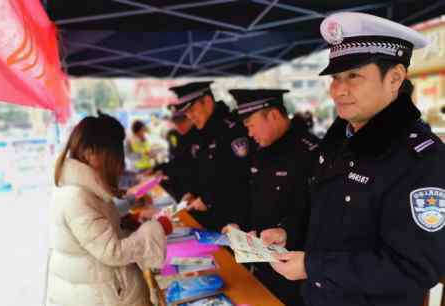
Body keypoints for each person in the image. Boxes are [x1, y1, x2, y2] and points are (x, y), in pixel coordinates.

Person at [261, 12, 445, 306]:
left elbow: (416, 268)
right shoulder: (337, 142)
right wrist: (288, 234)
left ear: (395, 78)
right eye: (335, 78)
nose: (338, 90)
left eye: (353, 76)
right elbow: (322, 216)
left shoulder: (421, 159)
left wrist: (313, 266)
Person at [47, 114, 166, 306]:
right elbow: (112, 252)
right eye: (114, 156)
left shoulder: (85, 188)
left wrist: (122, 225)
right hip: (99, 296)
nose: (118, 164)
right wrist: (153, 230)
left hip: (100, 290)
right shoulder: (77, 196)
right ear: (90, 152)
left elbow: (98, 234)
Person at [224, 89, 319, 306]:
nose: (249, 134)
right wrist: (238, 225)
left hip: (294, 269)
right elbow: (253, 197)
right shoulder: (260, 150)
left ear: (273, 115)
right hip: (260, 260)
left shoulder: (310, 152)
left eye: (251, 125)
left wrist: (287, 231)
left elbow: (315, 213)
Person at [168, 81, 253, 231]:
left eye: (192, 110)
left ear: (207, 101)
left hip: (234, 220)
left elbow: (239, 176)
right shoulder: (199, 132)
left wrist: (207, 199)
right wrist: (192, 193)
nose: (190, 117)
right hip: (210, 218)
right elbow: (200, 172)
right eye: (187, 113)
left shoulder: (231, 130)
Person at [153, 104, 201, 202]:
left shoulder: (199, 135)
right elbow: (176, 160)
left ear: (190, 119)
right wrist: (161, 169)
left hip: (195, 192)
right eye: (175, 122)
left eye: (182, 121)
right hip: (180, 188)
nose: (178, 125)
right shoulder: (174, 135)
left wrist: (193, 192)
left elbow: (197, 167)